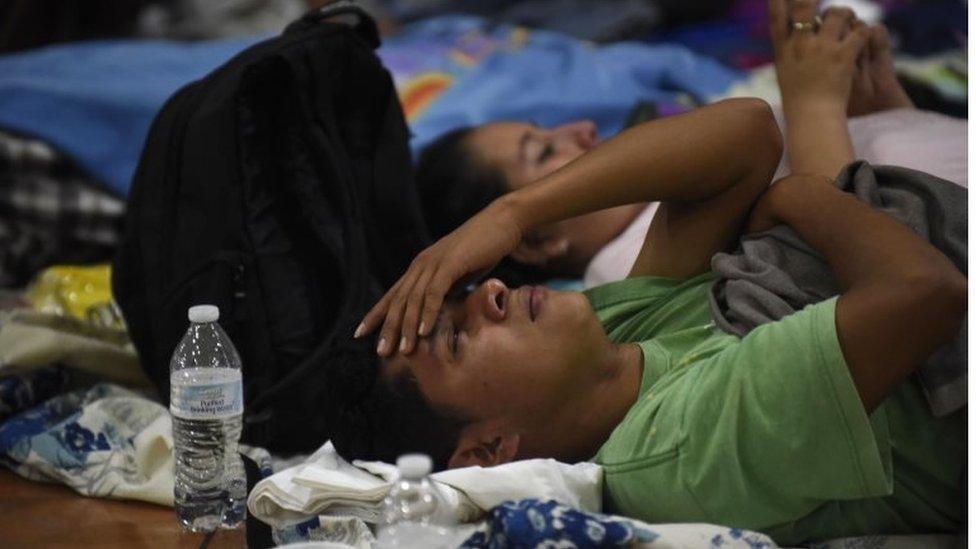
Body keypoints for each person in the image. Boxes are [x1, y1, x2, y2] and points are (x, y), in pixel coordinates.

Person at [336, 1, 967, 544]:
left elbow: (747, 132)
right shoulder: (680, 453)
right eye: (458, 336)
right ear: (488, 451)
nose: (491, 294)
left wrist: (512, 209)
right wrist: (806, 196)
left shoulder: (606, 338)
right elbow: (925, 292)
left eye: (467, 295)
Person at [415, 2, 965, 288]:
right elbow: (836, 265)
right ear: (536, 243)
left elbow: (918, 195)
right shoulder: (629, 268)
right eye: (543, 153)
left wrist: (878, 100)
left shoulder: (681, 168)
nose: (581, 128)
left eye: (549, 128)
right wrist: (813, 104)